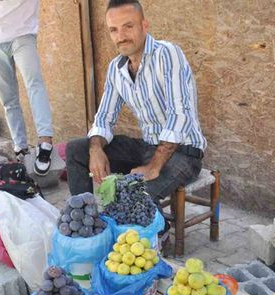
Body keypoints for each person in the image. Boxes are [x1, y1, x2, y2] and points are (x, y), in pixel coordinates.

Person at [66, 0, 206, 205]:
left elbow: (180, 115)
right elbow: (104, 118)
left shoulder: (167, 54)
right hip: (147, 147)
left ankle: (157, 232)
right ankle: (85, 218)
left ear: (144, 26)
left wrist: (154, 166)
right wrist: (95, 149)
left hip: (183, 153)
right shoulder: (116, 68)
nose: (121, 37)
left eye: (128, 27)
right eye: (113, 30)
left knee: (133, 198)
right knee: (77, 150)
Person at [0, 0, 54, 176]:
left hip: (23, 34)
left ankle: (45, 142)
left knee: (34, 83)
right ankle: (20, 146)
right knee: (8, 97)